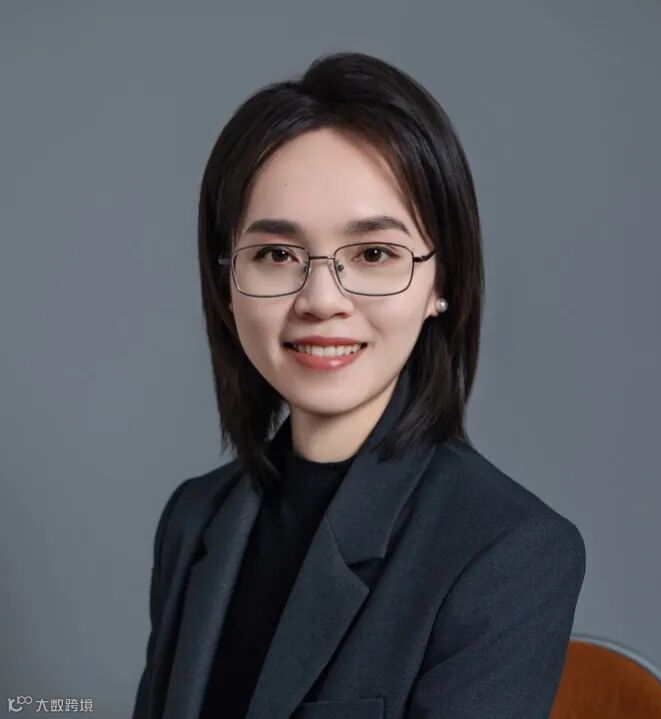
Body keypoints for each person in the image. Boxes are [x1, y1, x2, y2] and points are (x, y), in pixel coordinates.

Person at [132, 51, 586, 719]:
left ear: (442, 282)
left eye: (374, 254)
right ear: (226, 283)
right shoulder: (194, 517)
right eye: (276, 254)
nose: (321, 300)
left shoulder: (508, 551)